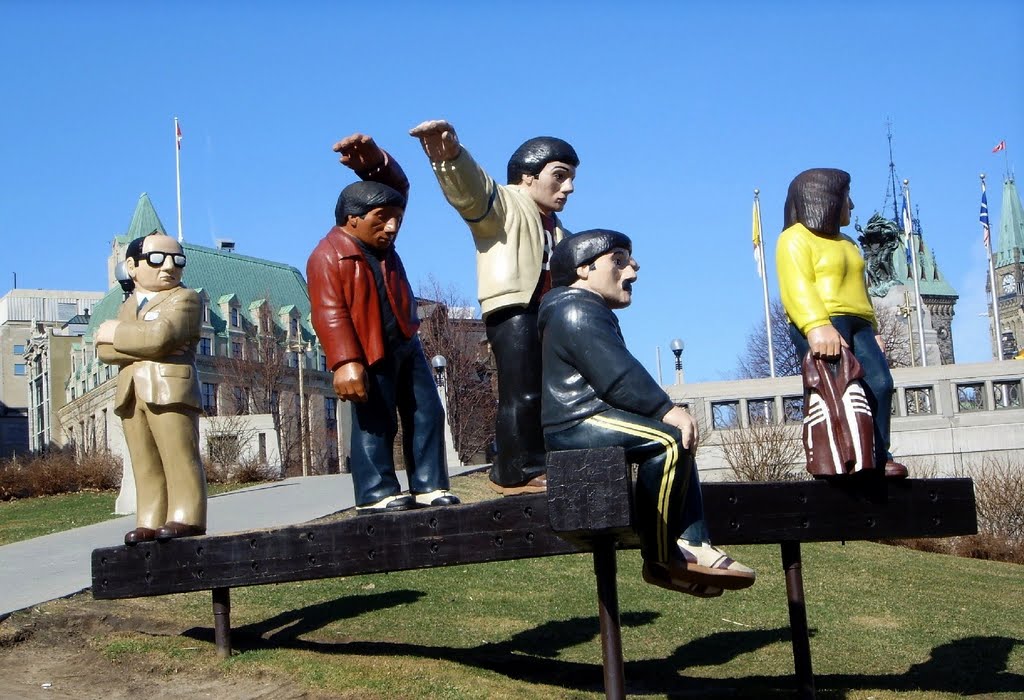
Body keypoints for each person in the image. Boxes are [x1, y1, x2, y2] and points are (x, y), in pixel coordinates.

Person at [539, 230, 756, 597]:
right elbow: (617, 374)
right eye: (619, 261)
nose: (633, 270)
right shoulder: (574, 308)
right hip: (577, 419)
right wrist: (665, 410)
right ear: (584, 269)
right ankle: (662, 556)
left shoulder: (587, 308)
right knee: (668, 440)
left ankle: (693, 542)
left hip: (592, 414)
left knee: (676, 440)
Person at [410, 119, 578, 495]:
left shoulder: (557, 226)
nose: (568, 187)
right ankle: (517, 470)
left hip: (547, 314)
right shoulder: (506, 205)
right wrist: (451, 158)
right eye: (560, 175)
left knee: (546, 391)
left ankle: (528, 455)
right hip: (514, 310)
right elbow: (473, 191)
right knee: (523, 391)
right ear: (527, 177)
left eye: (571, 178)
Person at [307, 133, 459, 514]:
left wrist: (376, 163)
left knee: (427, 410)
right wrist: (344, 362)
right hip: (367, 349)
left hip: (405, 341)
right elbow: (329, 312)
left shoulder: (382, 247)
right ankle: (376, 492)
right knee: (375, 420)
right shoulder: (328, 256)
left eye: (397, 219)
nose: (391, 227)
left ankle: (428, 484)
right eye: (382, 219)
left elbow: (395, 188)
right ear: (352, 219)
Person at [776, 168, 907, 478]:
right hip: (824, 321)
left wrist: (873, 329)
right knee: (836, 391)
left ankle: (877, 453)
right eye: (847, 197)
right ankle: (837, 456)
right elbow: (797, 286)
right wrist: (816, 324)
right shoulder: (794, 239)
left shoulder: (848, 243)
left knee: (880, 384)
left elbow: (860, 288)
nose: (851, 205)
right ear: (826, 200)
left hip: (858, 321)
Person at [96, 232, 207, 545]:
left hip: (170, 389)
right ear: (132, 266)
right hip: (132, 392)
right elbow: (105, 353)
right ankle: (149, 518)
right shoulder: (128, 306)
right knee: (144, 463)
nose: (169, 267)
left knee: (179, 456)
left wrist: (117, 333)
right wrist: (143, 341)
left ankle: (187, 515)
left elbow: (161, 336)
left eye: (177, 260)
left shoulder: (185, 299)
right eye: (157, 259)